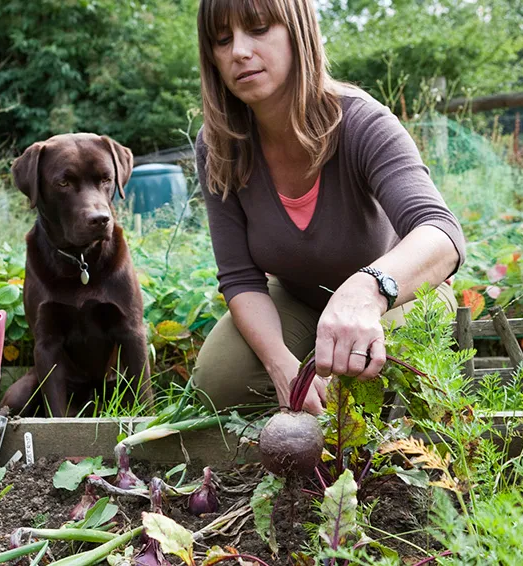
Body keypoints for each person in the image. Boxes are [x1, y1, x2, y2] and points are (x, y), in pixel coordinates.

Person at [191, 0, 465, 415]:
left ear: (298, 32)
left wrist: (366, 289)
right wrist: (280, 365)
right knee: (220, 381)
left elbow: (442, 234)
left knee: (359, 373)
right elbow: (240, 277)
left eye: (259, 29)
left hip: (401, 296)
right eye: (222, 40)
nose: (239, 52)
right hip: (300, 297)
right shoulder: (220, 146)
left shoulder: (361, 123)